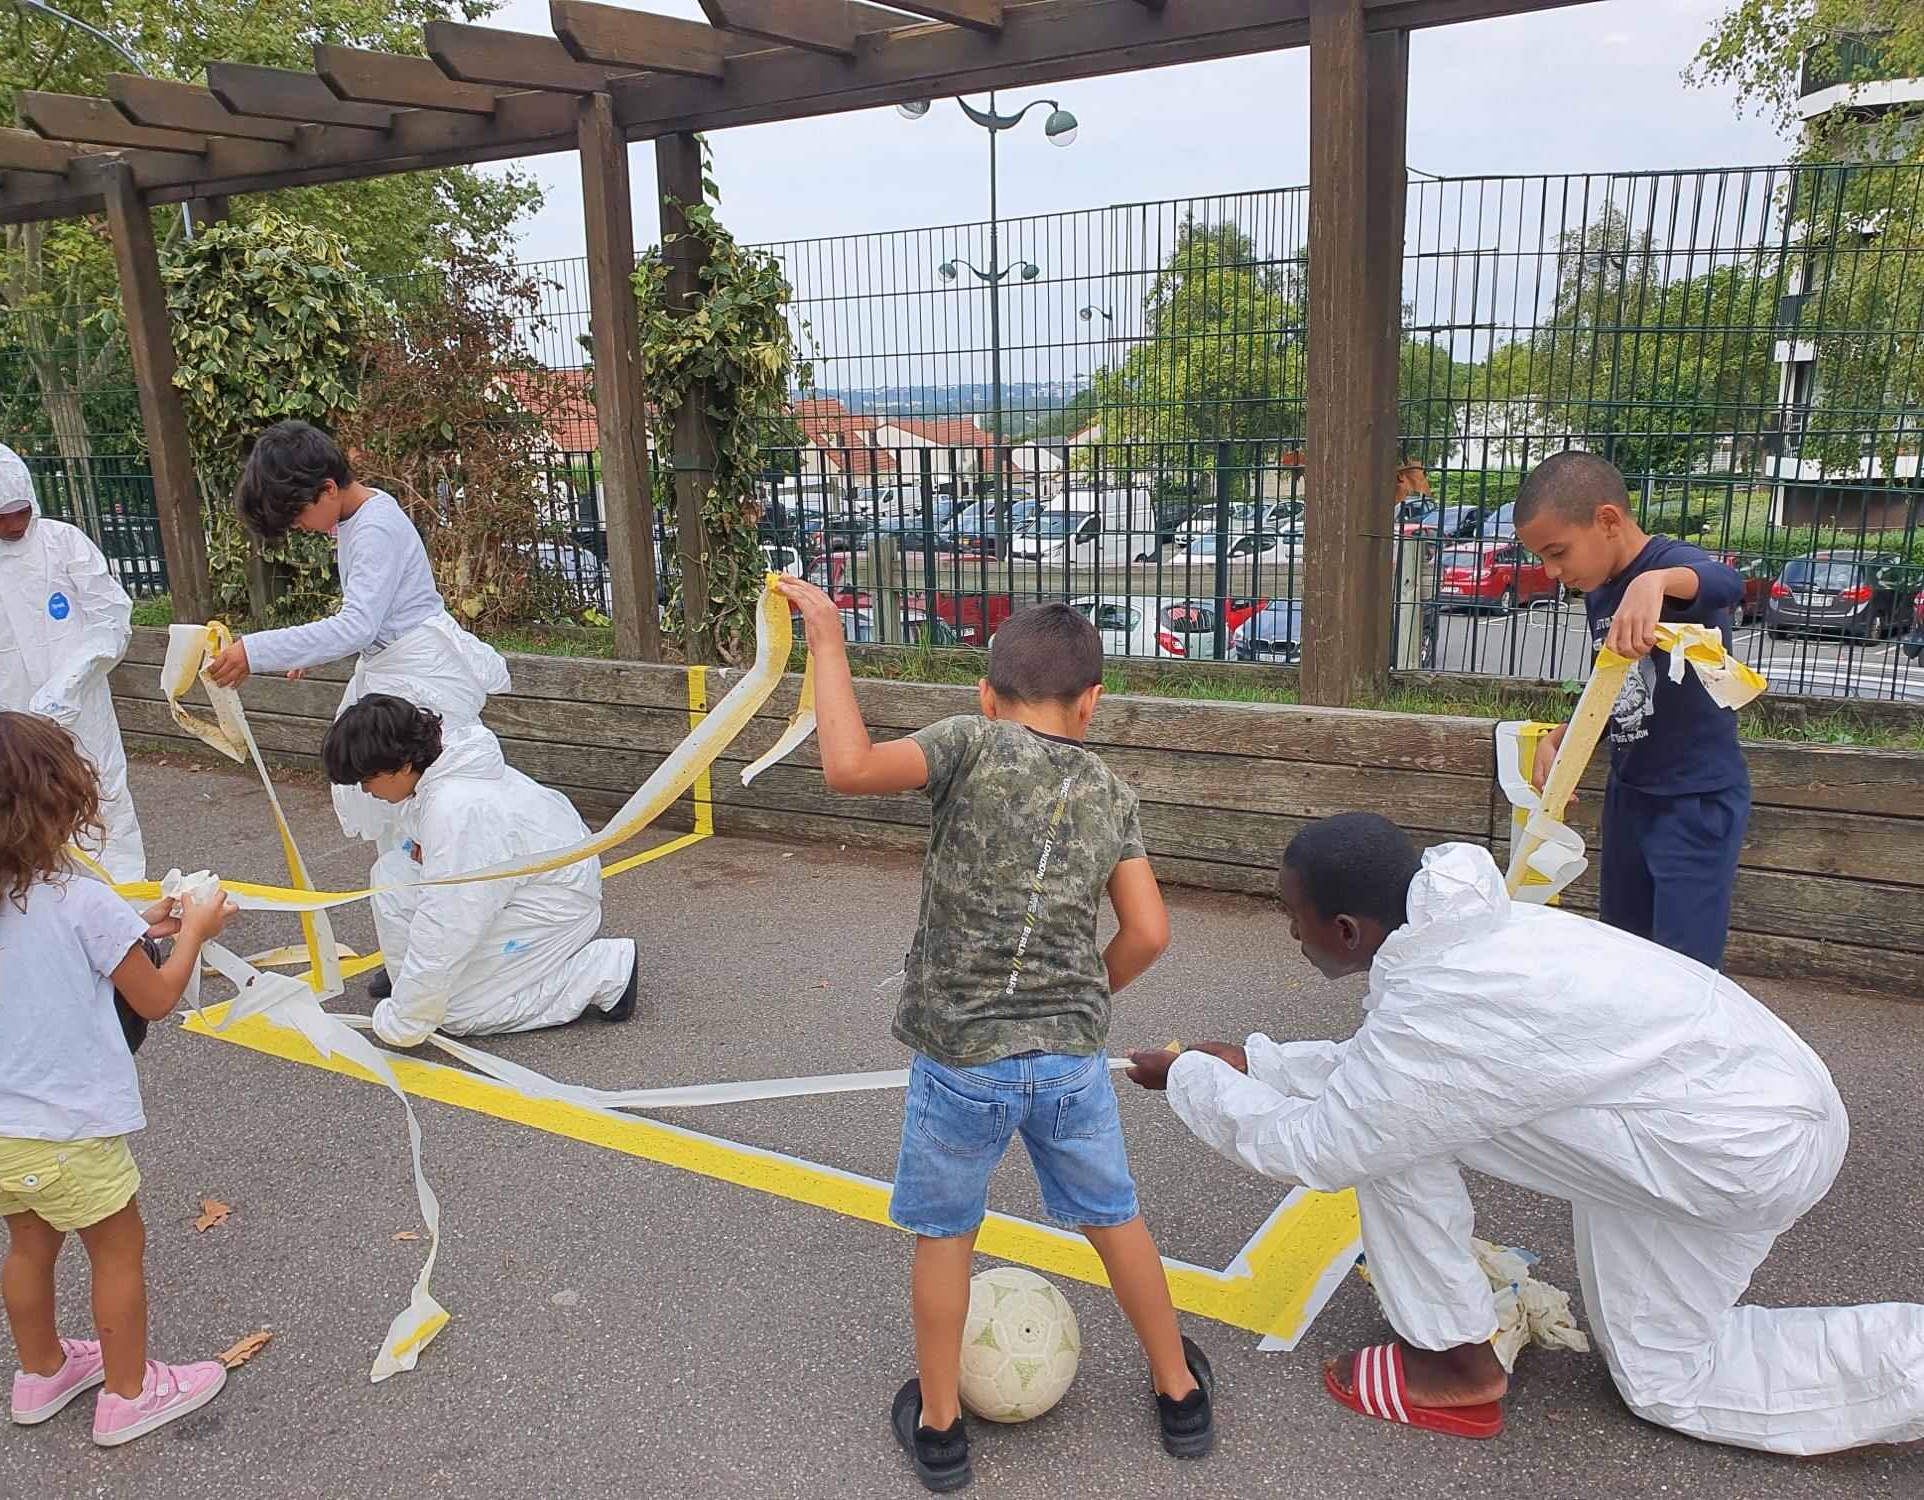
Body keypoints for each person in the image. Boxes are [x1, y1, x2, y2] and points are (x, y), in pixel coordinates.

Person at [1128, 812, 1924, 1456]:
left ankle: (1454, 1363)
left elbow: (1328, 1141)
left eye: (1290, 918)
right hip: (1748, 1109)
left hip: (1733, 1154)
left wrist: (1194, 1079)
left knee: (1380, 1139)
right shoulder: (1460, 933)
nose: (1289, 935)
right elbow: (1394, 1073)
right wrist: (1256, 1062)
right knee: (1662, 1380)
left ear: (1344, 929)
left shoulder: (1444, 1007)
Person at [775, 578, 1213, 1493]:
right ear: (1093, 703)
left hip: (960, 1061)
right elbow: (1149, 933)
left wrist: (827, 642)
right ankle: (1179, 1393)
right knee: (1113, 1216)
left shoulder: (967, 742)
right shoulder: (1111, 791)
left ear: (986, 694)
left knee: (947, 1234)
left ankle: (941, 1430)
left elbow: (849, 767)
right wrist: (1080, 998)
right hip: (1068, 1062)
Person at [0, 711, 240, 1445]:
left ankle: (42, 1374)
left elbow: (52, 941)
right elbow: (155, 999)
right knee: (117, 1250)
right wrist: (194, 931)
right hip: (65, 1131)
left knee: (29, 1247)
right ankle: (130, 1395)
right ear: (54, 798)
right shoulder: (83, 901)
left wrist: (139, 923)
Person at [202, 421, 510, 859]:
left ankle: (444, 874)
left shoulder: (373, 527)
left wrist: (256, 650)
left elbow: (358, 625)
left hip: (420, 675)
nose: (299, 526)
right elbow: (370, 614)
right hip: (400, 665)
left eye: (297, 515)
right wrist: (313, 649)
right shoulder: (359, 516)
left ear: (327, 488)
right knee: (404, 805)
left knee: (431, 792)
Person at [1513, 450, 1750, 967]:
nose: (1552, 572)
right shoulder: (1600, 589)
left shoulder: (1669, 566)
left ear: (1608, 521)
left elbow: (1726, 582)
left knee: (1682, 969)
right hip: (1630, 794)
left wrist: (1654, 583)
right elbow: (1615, 685)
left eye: (1558, 552)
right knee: (1623, 951)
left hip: (1693, 800)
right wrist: (1564, 737)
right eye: (1542, 559)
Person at [320, 693, 637, 1047]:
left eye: (367, 777)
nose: (365, 789)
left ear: (403, 765)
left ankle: (605, 970)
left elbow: (447, 927)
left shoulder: (457, 811)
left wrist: (408, 1021)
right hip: (534, 882)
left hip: (556, 906)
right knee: (391, 877)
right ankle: (415, 992)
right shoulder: (447, 763)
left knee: (459, 1011)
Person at [0, 440, 145, 882]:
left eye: (20, 510)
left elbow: (111, 621)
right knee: (24, 819)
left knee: (104, 806)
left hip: (83, 712)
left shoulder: (61, 544)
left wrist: (67, 685)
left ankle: (126, 911)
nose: (14, 524)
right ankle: (47, 917)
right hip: (7, 728)